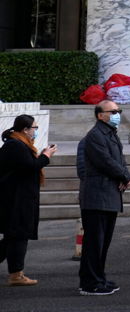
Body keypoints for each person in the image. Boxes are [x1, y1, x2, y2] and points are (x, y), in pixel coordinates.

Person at [77, 99, 130, 296]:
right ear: (101, 115)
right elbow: (105, 161)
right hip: (96, 196)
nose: (117, 114)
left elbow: (120, 160)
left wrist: (125, 175)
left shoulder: (110, 134)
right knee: (94, 242)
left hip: (108, 195)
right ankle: (90, 283)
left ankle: (99, 277)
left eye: (118, 110)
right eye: (113, 111)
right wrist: (125, 176)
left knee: (103, 242)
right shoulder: (95, 136)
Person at [0, 115, 57, 287]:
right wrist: (46, 156)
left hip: (18, 198)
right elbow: (30, 167)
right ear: (25, 129)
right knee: (18, 236)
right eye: (35, 128)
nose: (36, 131)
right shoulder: (15, 145)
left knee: (12, 238)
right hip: (16, 200)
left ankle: (16, 273)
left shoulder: (19, 144)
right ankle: (16, 274)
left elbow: (26, 165)